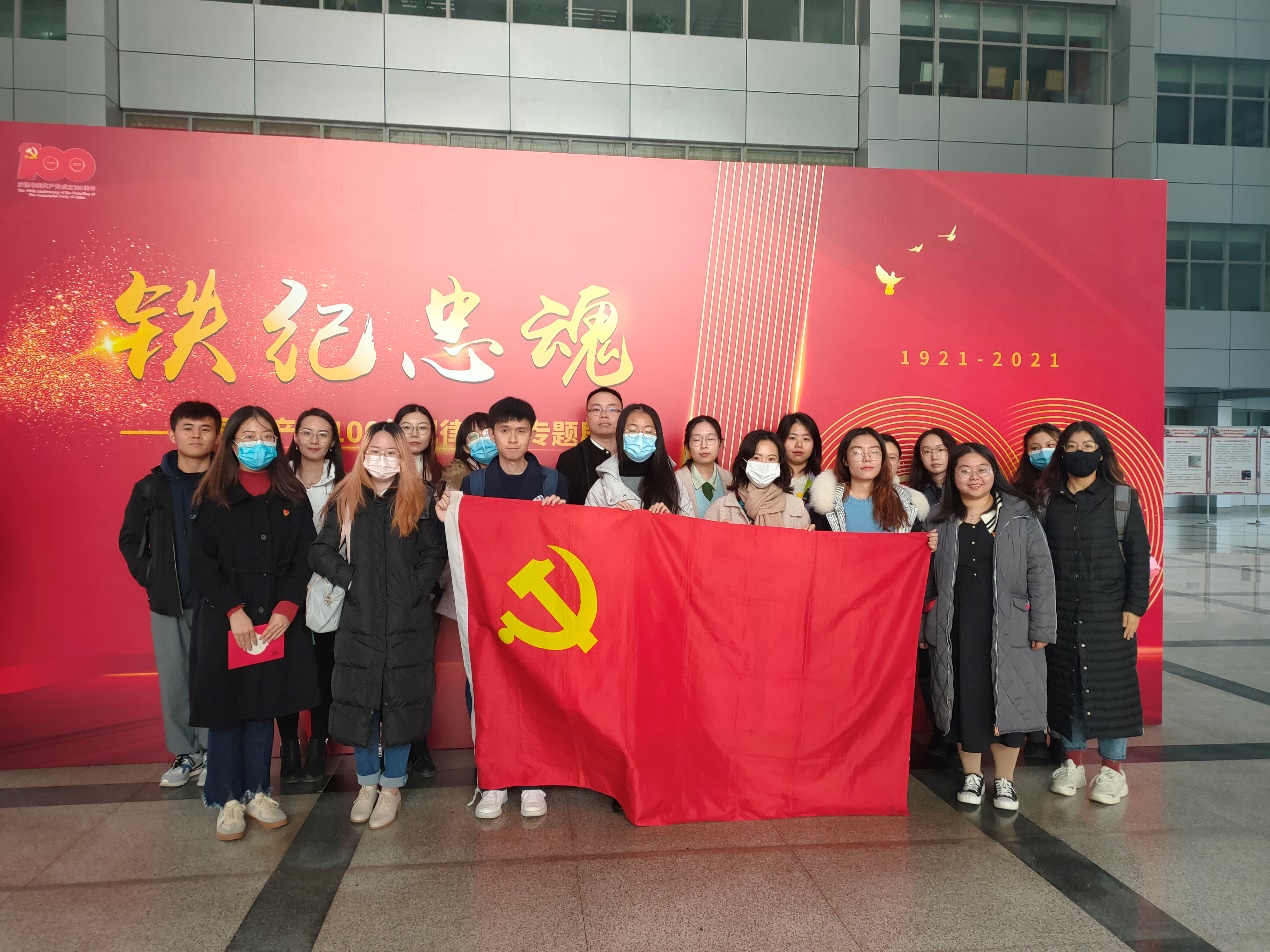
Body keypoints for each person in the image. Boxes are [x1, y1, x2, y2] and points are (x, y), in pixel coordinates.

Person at [188, 406, 321, 842]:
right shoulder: (211, 495)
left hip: (276, 620)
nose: (258, 444)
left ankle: (259, 792)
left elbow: (305, 556)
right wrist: (233, 610)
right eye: (248, 437)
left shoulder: (291, 494)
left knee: (264, 706)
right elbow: (201, 563)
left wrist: (287, 607)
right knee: (227, 709)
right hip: (228, 620)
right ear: (230, 444)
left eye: (266, 436)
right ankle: (226, 798)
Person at [435, 396, 568, 820]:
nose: (513, 439)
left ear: (532, 434)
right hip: (487, 605)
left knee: (536, 688)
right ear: (492, 435)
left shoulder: (553, 480)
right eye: (505, 431)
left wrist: (561, 515)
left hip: (537, 605)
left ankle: (533, 778)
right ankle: (491, 778)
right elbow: (458, 542)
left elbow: (570, 546)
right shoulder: (473, 485)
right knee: (486, 687)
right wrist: (446, 516)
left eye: (521, 431)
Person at [310, 422, 447, 830]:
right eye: (375, 451)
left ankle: (392, 788)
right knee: (363, 701)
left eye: (391, 452)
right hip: (360, 619)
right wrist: (351, 580)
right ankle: (367, 783)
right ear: (363, 454)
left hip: (408, 620)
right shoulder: (347, 497)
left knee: (401, 702)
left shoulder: (420, 498)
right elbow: (320, 551)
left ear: (403, 456)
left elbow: (434, 554)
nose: (382, 459)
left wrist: (413, 590)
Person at [923, 444, 1056, 810]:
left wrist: (1042, 628)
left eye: (982, 469)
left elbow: (1041, 573)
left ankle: (1005, 781)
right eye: (964, 470)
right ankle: (972, 775)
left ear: (994, 473)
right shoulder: (938, 518)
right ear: (953, 476)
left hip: (1011, 626)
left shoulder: (1020, 514)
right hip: (955, 626)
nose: (974, 477)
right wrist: (925, 625)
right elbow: (925, 581)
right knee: (963, 700)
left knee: (1009, 700)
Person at [1039, 421, 1150, 806]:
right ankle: (1072, 763)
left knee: (1112, 689)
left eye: (1088, 446)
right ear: (1061, 453)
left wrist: (1136, 605)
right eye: (1071, 446)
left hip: (1109, 611)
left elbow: (1138, 556)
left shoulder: (1121, 498)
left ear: (1101, 454)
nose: (1080, 452)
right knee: (1066, 685)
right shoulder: (1048, 500)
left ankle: (1112, 770)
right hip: (1061, 611)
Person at [118, 401, 221, 788]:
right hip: (169, 602)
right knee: (175, 681)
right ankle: (185, 753)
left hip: (219, 603)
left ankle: (214, 751)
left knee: (213, 679)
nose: (196, 436)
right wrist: (152, 577)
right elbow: (130, 540)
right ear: (172, 433)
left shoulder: (227, 484)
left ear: (217, 437)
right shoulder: (150, 487)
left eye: (205, 429)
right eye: (188, 428)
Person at [275, 408, 345, 783]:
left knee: (324, 670)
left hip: (330, 590)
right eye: (307, 432)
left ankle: (318, 742)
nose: (314, 440)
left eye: (323, 434)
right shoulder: (277, 480)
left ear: (332, 442)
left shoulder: (346, 484)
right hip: (283, 589)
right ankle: (289, 746)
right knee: (282, 668)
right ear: (296, 437)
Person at [810, 427, 928, 532]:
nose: (867, 458)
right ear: (845, 460)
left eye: (874, 452)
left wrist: (929, 544)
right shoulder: (827, 505)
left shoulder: (905, 503)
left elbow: (914, 547)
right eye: (857, 452)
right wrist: (809, 536)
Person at [585, 404, 694, 515]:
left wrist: (668, 520)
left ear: (658, 436)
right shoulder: (602, 487)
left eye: (648, 432)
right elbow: (589, 524)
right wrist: (613, 518)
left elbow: (689, 524)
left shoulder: (674, 484)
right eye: (632, 431)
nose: (640, 437)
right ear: (620, 434)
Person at [703, 429, 810, 528]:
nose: (764, 464)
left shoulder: (797, 508)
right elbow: (703, 541)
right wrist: (720, 536)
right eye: (756, 458)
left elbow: (802, 543)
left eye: (771, 459)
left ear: (780, 465)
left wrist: (810, 537)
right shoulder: (720, 508)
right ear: (744, 463)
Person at [556, 387, 622, 505]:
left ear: (623, 417)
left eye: (612, 409)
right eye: (596, 409)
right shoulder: (569, 459)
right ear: (587, 418)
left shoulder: (634, 455)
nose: (604, 415)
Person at [676, 415, 731, 517]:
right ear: (687, 447)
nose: (704, 446)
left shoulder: (731, 480)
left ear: (720, 444)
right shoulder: (675, 481)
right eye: (697, 440)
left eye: (710, 439)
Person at [442, 412, 495, 491]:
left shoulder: (512, 470)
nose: (482, 440)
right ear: (466, 448)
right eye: (473, 437)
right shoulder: (456, 479)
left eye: (487, 433)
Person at [777, 412, 823, 502]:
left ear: (814, 444)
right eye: (792, 438)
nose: (799, 445)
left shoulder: (823, 483)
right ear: (780, 440)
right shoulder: (768, 478)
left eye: (806, 439)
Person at [394, 403, 443, 484]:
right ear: (395, 433)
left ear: (431, 435)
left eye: (422, 428)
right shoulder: (383, 471)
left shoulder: (443, 475)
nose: (414, 434)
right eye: (406, 427)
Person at [1012, 422, 1061, 502]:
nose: (1043, 452)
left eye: (1050, 445)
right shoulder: (1018, 490)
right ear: (1027, 453)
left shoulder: (1074, 483)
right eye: (1035, 448)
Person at [910, 427, 958, 509]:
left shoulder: (963, 486)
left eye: (940, 450)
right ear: (919, 456)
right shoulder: (914, 494)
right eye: (927, 451)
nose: (934, 457)